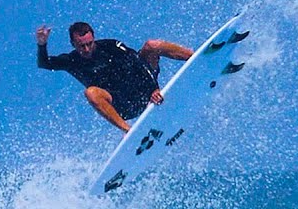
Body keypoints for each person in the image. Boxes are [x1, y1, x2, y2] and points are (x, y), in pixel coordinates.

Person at [36, 21, 193, 133]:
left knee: (152, 45)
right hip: (122, 106)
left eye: (89, 43)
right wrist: (42, 44)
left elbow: (138, 63)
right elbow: (44, 63)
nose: (86, 48)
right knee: (91, 92)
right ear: (72, 44)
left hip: (144, 90)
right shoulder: (71, 60)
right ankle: (128, 131)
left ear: (93, 38)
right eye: (81, 46)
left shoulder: (111, 46)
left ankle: (198, 56)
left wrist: (153, 88)